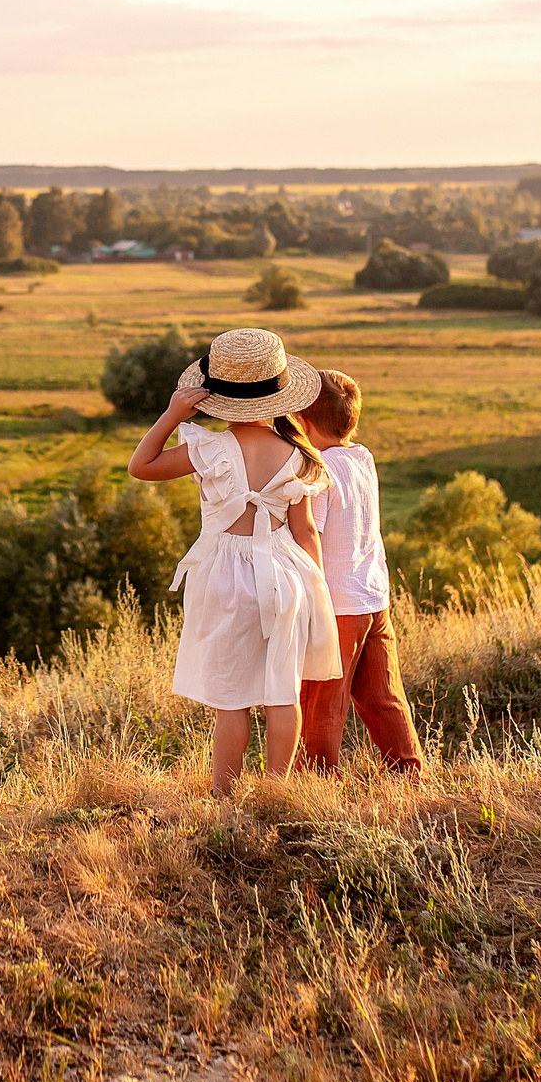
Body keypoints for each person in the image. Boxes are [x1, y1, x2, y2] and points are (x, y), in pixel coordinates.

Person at [126, 327, 343, 797]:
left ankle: (224, 799)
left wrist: (170, 415)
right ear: (281, 395)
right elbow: (305, 530)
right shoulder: (301, 455)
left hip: (225, 580)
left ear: (218, 397)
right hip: (284, 576)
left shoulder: (207, 450)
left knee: (233, 702)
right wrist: (315, 588)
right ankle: (275, 794)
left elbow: (140, 466)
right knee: (282, 695)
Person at [293, 370, 426, 775]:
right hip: (373, 596)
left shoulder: (317, 470)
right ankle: (409, 771)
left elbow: (309, 532)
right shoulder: (362, 459)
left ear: (303, 422)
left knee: (322, 702)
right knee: (384, 695)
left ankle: (313, 782)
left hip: (337, 604)